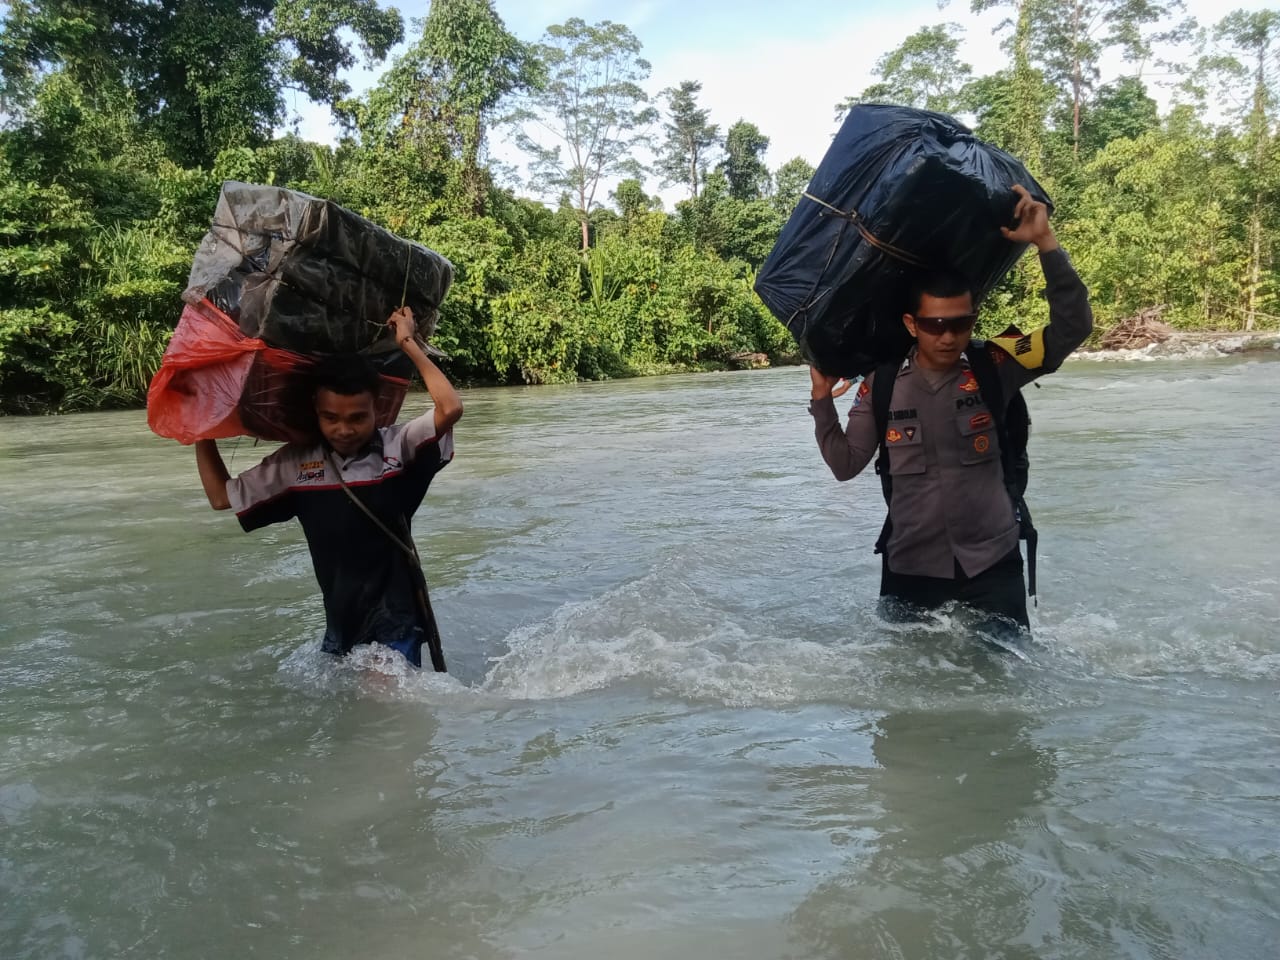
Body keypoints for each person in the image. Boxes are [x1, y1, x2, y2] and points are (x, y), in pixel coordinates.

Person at [807, 184, 1092, 633]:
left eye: (961, 323)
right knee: (907, 692)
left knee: (1005, 688)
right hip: (911, 569)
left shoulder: (996, 363)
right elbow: (845, 464)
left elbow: (1072, 328)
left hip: (992, 564)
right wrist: (821, 400)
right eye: (934, 325)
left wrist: (1045, 243)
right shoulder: (881, 386)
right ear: (911, 324)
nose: (947, 336)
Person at [195, 307, 463, 668]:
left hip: (396, 618)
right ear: (315, 412)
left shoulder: (397, 449)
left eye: (357, 418)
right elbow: (219, 497)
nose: (344, 430)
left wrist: (408, 343)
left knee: (382, 704)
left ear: (376, 409)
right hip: (341, 626)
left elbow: (450, 407)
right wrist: (201, 430)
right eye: (331, 418)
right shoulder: (295, 464)